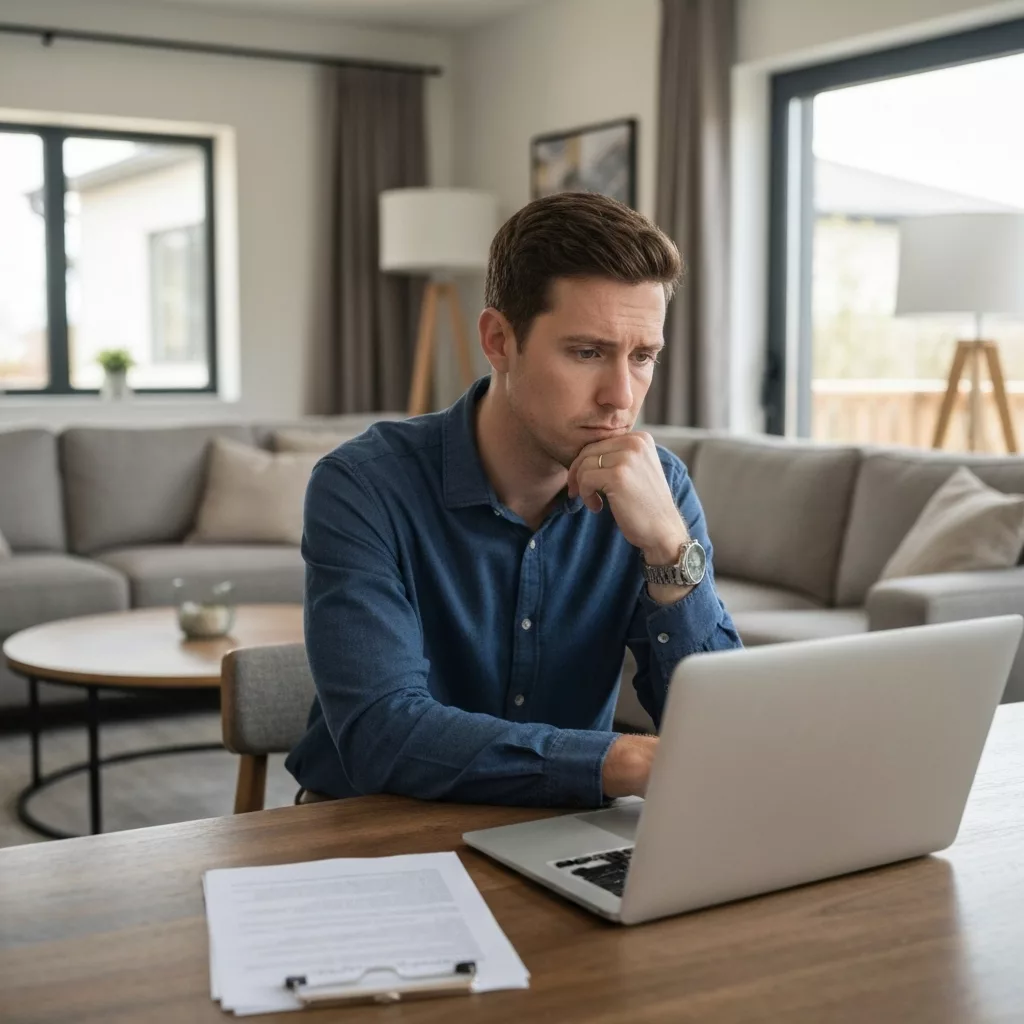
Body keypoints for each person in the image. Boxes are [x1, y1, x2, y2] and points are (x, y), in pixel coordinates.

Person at [286, 191, 741, 807]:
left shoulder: (659, 488)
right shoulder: (363, 487)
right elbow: (381, 735)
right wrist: (622, 759)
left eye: (643, 357)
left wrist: (669, 547)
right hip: (371, 836)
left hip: (559, 833)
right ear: (499, 340)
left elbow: (718, 726)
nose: (620, 396)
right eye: (587, 352)